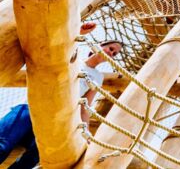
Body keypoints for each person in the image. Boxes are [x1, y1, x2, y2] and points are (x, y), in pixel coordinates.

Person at [0, 22, 122, 168]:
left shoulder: (97, 77)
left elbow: (85, 107)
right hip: (32, 108)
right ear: (100, 45)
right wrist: (79, 32)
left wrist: (86, 132)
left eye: (114, 54)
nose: (111, 53)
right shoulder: (74, 57)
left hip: (55, 122)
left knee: (33, 158)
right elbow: (58, 46)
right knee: (3, 144)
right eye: (111, 49)